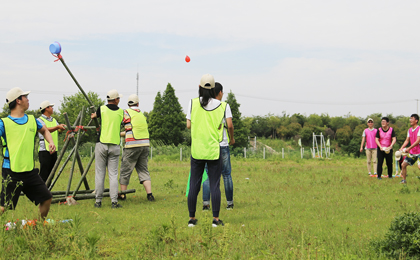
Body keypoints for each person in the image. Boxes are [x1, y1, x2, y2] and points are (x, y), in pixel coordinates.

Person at [0, 88, 55, 219]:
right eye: (25, 97)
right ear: (18, 101)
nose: (28, 99)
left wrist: (51, 142)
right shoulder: (4, 123)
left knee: (47, 199)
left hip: (30, 171)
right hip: (11, 171)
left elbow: (45, 131)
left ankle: (38, 228)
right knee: (4, 206)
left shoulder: (32, 120)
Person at [186, 74, 225, 227]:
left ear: (199, 88)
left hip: (197, 149)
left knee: (194, 184)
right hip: (214, 150)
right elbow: (221, 127)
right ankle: (215, 220)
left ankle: (191, 219)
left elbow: (189, 125)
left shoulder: (192, 103)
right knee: (215, 184)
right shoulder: (222, 106)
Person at [202, 82, 235, 210]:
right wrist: (232, 138)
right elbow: (230, 125)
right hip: (223, 144)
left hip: (208, 145)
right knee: (226, 174)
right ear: (220, 92)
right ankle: (229, 204)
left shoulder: (204, 106)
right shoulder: (224, 106)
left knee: (207, 174)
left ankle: (206, 204)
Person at [91, 90, 124, 209]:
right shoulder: (121, 112)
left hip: (102, 143)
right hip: (114, 145)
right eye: (118, 99)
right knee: (113, 174)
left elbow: (95, 116)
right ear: (115, 100)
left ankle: (98, 201)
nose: (119, 100)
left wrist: (95, 115)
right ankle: (114, 202)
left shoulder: (102, 109)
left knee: (100, 173)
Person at [118, 94, 154, 201]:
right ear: (138, 103)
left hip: (132, 145)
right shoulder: (141, 115)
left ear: (128, 104)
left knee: (126, 170)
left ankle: (123, 195)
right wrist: (121, 134)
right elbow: (132, 130)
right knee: (143, 169)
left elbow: (118, 124)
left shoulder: (126, 113)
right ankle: (150, 195)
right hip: (145, 145)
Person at [37, 100, 66, 182]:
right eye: (51, 107)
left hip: (54, 149)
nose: (52, 108)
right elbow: (45, 129)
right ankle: (41, 191)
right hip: (44, 150)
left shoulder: (53, 120)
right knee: (44, 173)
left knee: (51, 173)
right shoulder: (40, 120)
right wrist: (57, 127)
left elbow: (58, 129)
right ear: (46, 108)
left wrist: (61, 128)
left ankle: (47, 190)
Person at [398, 114, 420, 184]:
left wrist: (408, 148)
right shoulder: (409, 130)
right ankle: (404, 180)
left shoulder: (419, 129)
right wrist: (401, 148)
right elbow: (407, 140)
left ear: (416, 120)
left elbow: (417, 141)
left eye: (412, 119)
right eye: (410, 119)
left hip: (419, 152)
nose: (410, 120)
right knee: (403, 165)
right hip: (412, 153)